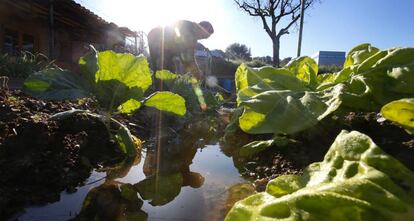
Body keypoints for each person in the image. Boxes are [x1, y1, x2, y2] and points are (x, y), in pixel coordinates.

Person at [147, 20, 214, 80]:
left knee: (170, 70)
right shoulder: (190, 31)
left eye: (205, 38)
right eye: (203, 36)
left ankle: (160, 86)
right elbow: (188, 58)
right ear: (202, 29)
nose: (201, 38)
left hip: (163, 42)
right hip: (158, 38)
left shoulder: (192, 29)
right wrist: (197, 74)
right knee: (162, 69)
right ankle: (159, 89)